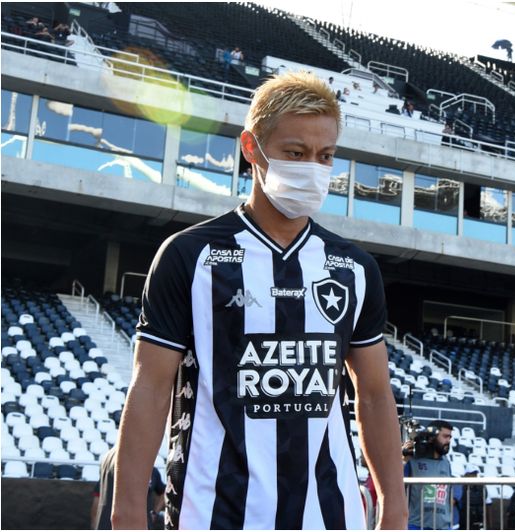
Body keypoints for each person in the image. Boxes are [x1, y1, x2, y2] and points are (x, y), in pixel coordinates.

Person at [112, 71, 407, 530]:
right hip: (212, 513)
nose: (313, 167)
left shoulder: (354, 268)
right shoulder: (191, 256)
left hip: (330, 515)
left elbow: (372, 394)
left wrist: (395, 508)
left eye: (325, 155)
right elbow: (149, 388)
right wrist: (127, 513)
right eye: (296, 152)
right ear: (252, 148)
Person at [91, 446, 165, 529]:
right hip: (115, 524)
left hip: (138, 524)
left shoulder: (152, 471)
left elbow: (163, 492)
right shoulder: (114, 463)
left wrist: (155, 512)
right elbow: (97, 500)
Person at [403, 420, 454, 530]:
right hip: (416, 526)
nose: (448, 441)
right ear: (432, 437)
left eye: (450, 437)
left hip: (443, 527)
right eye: (445, 436)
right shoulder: (412, 461)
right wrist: (403, 460)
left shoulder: (446, 464)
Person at [457, 465, 491, 530]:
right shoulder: (460, 486)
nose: (473, 476)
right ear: (466, 475)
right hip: (464, 519)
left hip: (479, 518)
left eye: (475, 474)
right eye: (471, 474)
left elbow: (488, 504)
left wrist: (489, 525)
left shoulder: (482, 486)